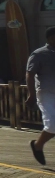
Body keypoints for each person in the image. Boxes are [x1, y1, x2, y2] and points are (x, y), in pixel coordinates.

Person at [27, 27, 55, 165]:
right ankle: (37, 146)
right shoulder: (38, 54)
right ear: (51, 38)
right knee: (52, 125)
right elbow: (30, 74)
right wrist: (31, 94)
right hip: (46, 94)